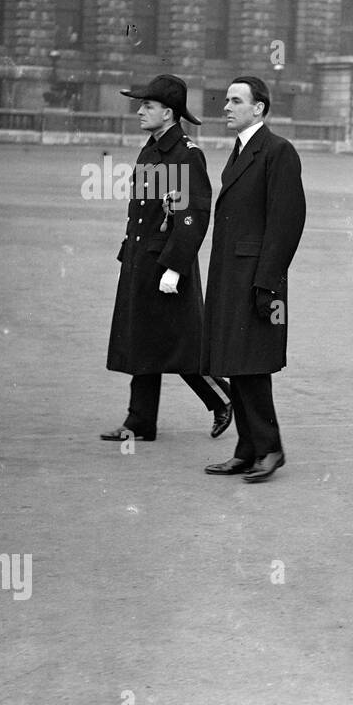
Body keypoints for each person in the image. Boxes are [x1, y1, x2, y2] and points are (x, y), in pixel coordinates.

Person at [102, 75, 232, 443]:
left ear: (169, 113)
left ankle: (224, 399)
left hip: (167, 265)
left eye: (148, 106)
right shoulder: (153, 148)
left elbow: (193, 215)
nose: (140, 110)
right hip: (143, 261)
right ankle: (140, 421)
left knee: (182, 343)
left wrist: (174, 267)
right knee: (143, 341)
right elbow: (144, 210)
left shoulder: (186, 154)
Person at [202, 75, 306, 483]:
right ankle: (247, 450)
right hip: (232, 275)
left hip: (256, 279)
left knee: (253, 365)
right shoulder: (242, 149)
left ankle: (270, 448)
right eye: (226, 100)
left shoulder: (278, 151)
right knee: (236, 361)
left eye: (235, 100)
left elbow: (287, 223)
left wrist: (268, 283)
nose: (225, 107)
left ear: (258, 107)